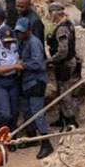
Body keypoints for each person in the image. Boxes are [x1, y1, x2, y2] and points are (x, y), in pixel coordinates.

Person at [15, 17, 53, 158]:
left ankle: (46, 142)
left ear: (28, 31)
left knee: (37, 112)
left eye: (21, 32)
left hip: (36, 82)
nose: (19, 34)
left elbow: (39, 64)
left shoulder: (34, 43)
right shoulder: (24, 42)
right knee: (27, 110)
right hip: (27, 82)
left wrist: (22, 65)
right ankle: (32, 137)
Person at [47, 3, 80, 129]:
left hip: (64, 64)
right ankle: (62, 118)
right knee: (61, 92)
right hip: (64, 62)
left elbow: (63, 50)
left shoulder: (62, 28)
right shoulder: (68, 24)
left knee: (65, 93)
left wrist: (51, 60)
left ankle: (71, 120)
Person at [0, 25, 22, 133]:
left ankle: (11, 135)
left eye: (10, 41)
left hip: (14, 80)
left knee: (15, 111)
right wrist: (14, 67)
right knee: (4, 113)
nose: (8, 43)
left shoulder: (14, 45)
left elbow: (18, 57)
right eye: (6, 41)